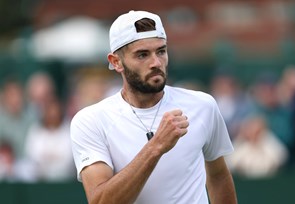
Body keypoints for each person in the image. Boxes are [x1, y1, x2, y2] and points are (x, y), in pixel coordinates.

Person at [70, 10, 237, 204]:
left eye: (161, 51)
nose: (156, 63)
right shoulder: (90, 120)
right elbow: (100, 201)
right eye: (142, 55)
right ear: (116, 62)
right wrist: (156, 146)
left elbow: (218, 176)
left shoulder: (203, 105)